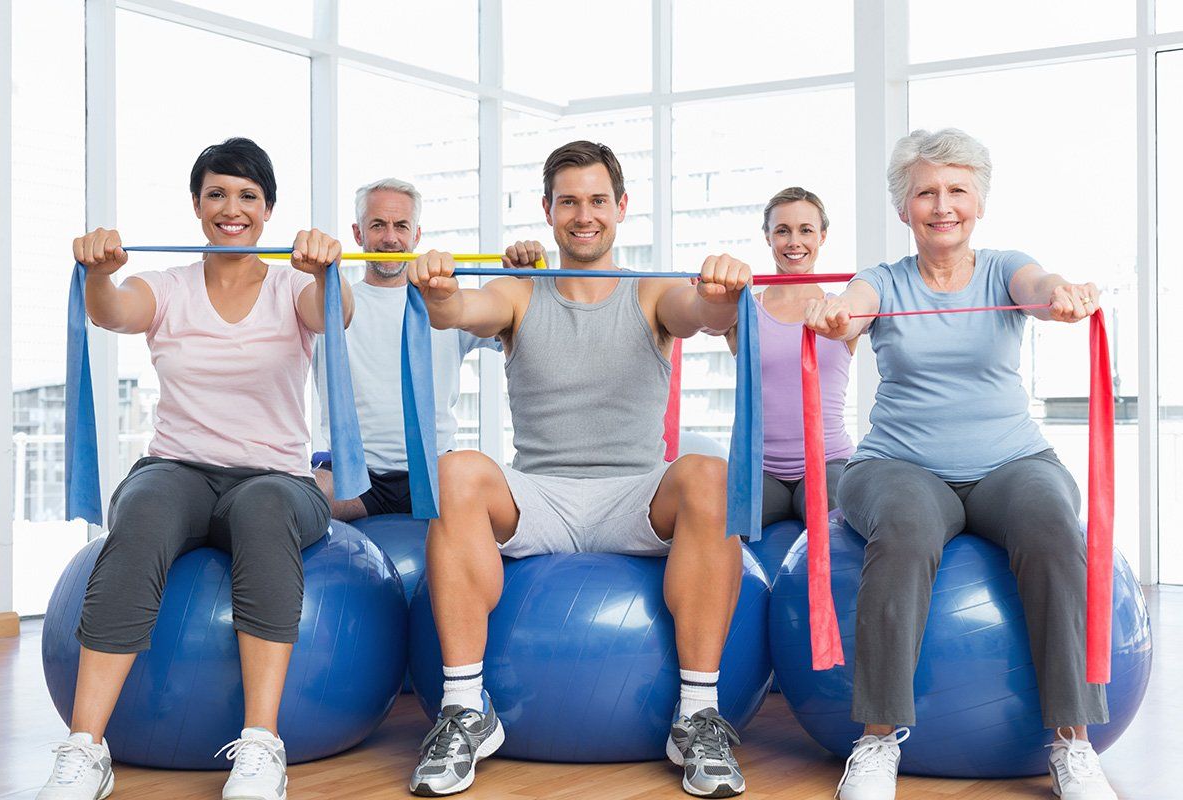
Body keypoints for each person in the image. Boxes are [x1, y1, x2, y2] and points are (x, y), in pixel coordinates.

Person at [405, 141, 751, 798]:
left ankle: (697, 716)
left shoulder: (650, 291)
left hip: (635, 496)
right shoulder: (518, 292)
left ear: (621, 209)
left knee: (708, 472)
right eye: (569, 201)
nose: (583, 215)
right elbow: (457, 313)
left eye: (597, 201)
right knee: (455, 471)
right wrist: (440, 289)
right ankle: (464, 710)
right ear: (548, 209)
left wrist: (721, 293)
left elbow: (703, 314)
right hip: (541, 495)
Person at [804, 128, 1113, 800]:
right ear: (904, 208)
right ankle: (877, 741)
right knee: (908, 531)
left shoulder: (1006, 268)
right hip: (898, 465)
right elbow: (855, 309)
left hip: (1013, 461)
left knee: (1055, 528)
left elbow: (1039, 286)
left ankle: (1072, 745)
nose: (942, 205)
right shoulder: (882, 280)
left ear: (979, 202)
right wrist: (836, 315)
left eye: (957, 191)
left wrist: (1062, 294)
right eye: (925, 193)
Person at [40, 137, 349, 800]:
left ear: (268, 210)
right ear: (196, 204)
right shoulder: (168, 287)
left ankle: (263, 747)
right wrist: (99, 272)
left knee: (263, 508)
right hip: (177, 469)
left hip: (276, 481)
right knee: (143, 510)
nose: (230, 208)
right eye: (217, 194)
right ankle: (85, 748)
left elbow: (336, 316)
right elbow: (113, 310)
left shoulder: (295, 287)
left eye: (247, 196)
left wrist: (327, 271)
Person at [311, 178, 500, 520]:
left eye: (401, 226)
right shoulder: (329, 304)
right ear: (358, 234)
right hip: (353, 477)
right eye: (377, 225)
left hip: (433, 471)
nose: (389, 238)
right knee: (296, 500)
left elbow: (512, 331)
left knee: (486, 503)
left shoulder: (446, 304)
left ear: (416, 235)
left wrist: (523, 278)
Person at [725, 187, 856, 527]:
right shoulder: (744, 310)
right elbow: (701, 313)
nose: (794, 241)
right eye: (783, 230)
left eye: (806, 230)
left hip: (829, 463)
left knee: (842, 520)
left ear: (822, 236)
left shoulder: (842, 311)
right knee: (721, 527)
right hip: (760, 468)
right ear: (768, 236)